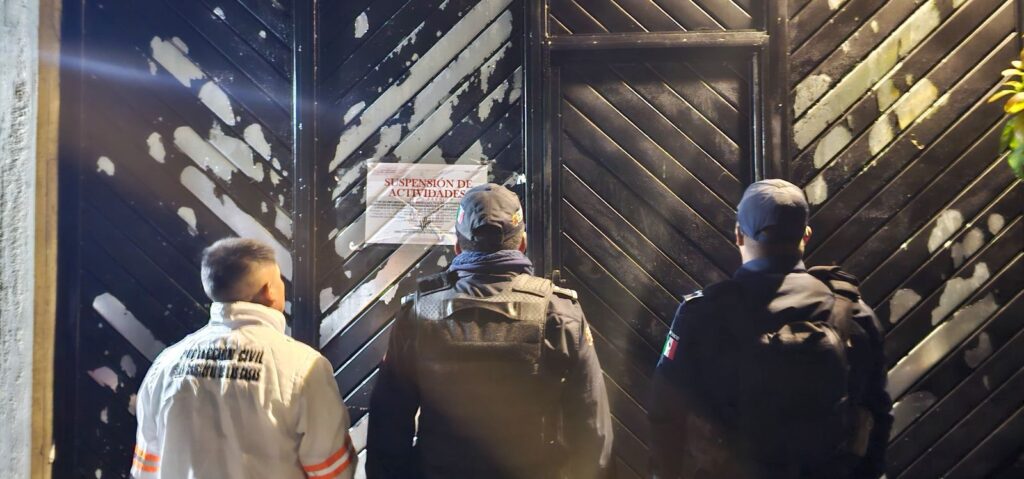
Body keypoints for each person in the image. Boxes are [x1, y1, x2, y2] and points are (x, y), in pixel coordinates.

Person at [366, 183, 614, 479]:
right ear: (522, 244)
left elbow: (388, 424)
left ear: (457, 246)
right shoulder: (558, 313)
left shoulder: (419, 313)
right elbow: (592, 427)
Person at [648, 179, 893, 479]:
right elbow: (877, 415)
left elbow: (666, 414)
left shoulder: (701, 315)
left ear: (738, 234)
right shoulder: (854, 313)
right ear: (806, 235)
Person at [132, 238, 356, 479]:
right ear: (269, 290)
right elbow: (332, 472)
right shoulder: (304, 367)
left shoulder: (165, 366)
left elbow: (147, 470)